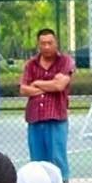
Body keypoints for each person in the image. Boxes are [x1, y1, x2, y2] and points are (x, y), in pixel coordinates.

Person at [17, 28, 75, 169]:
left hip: (56, 118)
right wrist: (51, 85)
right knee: (37, 163)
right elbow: (23, 89)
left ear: (56, 43)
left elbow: (60, 85)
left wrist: (37, 83)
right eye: (43, 43)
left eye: (50, 43)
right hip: (35, 118)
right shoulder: (31, 64)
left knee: (58, 160)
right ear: (38, 45)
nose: (47, 47)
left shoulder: (65, 61)